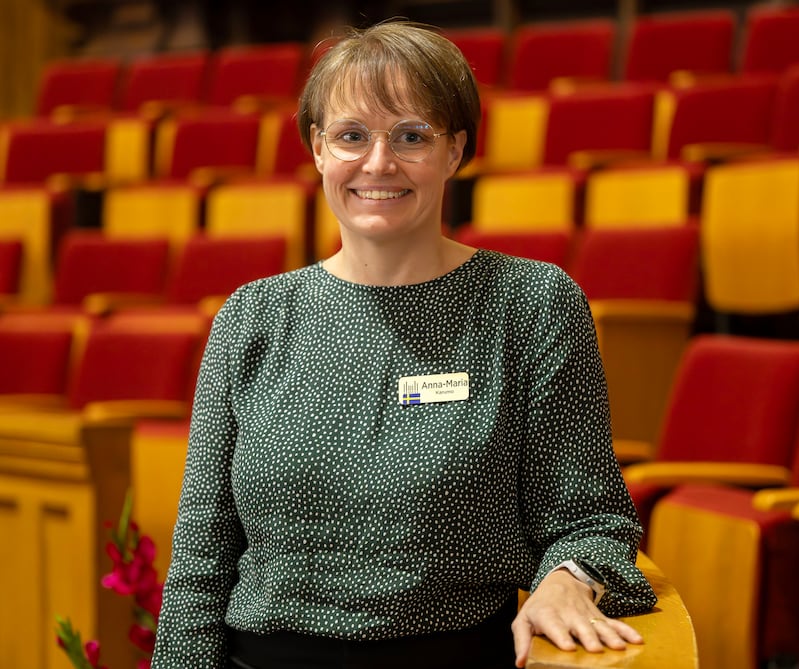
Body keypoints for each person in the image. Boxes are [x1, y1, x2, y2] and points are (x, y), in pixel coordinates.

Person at [150, 20, 657, 669]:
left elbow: (592, 519)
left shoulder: (530, 304)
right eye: (352, 135)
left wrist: (571, 576)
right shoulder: (252, 315)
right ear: (318, 149)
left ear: (455, 150)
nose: (378, 162)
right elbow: (202, 552)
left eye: (411, 135)